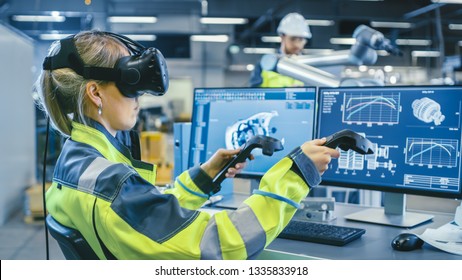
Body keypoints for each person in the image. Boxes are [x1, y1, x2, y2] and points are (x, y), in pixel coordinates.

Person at [36, 30, 339, 260]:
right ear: (95, 93)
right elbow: (220, 243)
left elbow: (147, 211)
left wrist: (204, 176)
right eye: (131, 86)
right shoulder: (109, 185)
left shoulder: (79, 161)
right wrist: (296, 173)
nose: (138, 99)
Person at [250, 12, 311, 87]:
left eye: (301, 39)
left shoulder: (310, 65)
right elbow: (255, 94)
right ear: (282, 37)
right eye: (293, 39)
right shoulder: (265, 64)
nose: (297, 44)